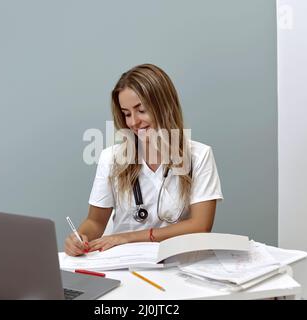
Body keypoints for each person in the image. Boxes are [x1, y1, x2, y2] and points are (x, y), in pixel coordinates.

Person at [64, 64, 223, 256]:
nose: (133, 122)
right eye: (127, 113)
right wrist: (80, 238)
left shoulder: (199, 156)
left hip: (179, 264)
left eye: (142, 110)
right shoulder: (111, 158)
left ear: (165, 106)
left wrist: (128, 237)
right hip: (125, 263)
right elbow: (96, 222)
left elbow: (200, 226)